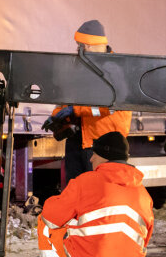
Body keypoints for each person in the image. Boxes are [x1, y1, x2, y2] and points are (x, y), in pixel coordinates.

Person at [36, 131, 154, 257]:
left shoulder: (86, 182)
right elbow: (144, 239)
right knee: (120, 239)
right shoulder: (143, 193)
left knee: (44, 224)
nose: (91, 159)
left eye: (95, 154)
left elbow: (51, 218)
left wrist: (53, 201)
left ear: (106, 157)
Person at [45, 20, 132, 183]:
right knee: (75, 188)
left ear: (88, 45)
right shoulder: (85, 65)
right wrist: (57, 117)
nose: (78, 49)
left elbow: (110, 105)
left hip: (102, 143)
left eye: (79, 45)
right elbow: (69, 98)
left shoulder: (115, 69)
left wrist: (75, 111)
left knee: (97, 189)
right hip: (80, 139)